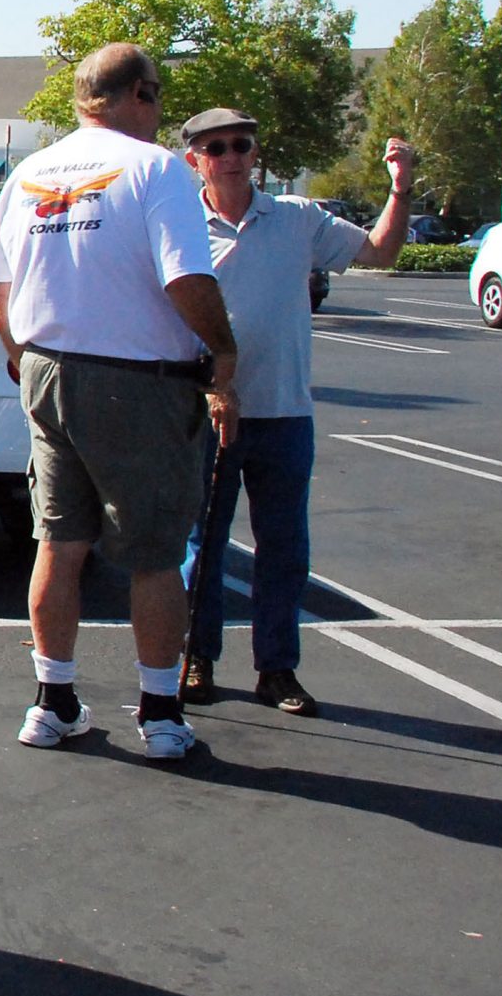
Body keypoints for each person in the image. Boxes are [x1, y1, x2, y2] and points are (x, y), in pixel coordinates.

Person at [0, 42, 241, 763]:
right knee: (155, 553)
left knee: (59, 543)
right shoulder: (157, 171)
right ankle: (159, 711)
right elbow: (187, 278)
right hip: (137, 381)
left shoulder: (29, 172)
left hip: (47, 369)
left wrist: (17, 353)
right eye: (153, 95)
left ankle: (52, 699)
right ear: (132, 97)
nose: (158, 111)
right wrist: (223, 350)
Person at [178, 110, 416, 717]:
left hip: (284, 414)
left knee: (283, 548)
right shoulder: (178, 225)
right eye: (216, 147)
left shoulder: (298, 219)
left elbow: (381, 252)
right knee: (201, 546)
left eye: (241, 144)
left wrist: (400, 185)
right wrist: (203, 385)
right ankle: (196, 657)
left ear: (255, 152)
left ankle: (277, 670)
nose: (231, 155)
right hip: (206, 413)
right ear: (194, 160)